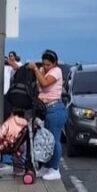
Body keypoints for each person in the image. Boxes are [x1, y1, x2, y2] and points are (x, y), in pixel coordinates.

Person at [28, 49, 66, 181]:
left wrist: (36, 70)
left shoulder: (57, 71)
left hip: (55, 109)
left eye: (48, 64)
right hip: (45, 110)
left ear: (54, 63)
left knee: (54, 140)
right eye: (44, 64)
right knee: (45, 140)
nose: (45, 66)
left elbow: (44, 83)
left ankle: (55, 169)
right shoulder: (45, 71)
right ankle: (45, 166)